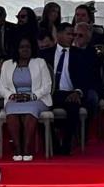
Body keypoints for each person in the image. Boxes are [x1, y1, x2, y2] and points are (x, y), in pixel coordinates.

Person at [40, 22, 95, 155]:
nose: (72, 37)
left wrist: (78, 91)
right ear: (58, 35)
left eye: (74, 35)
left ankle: (67, 144)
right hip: (49, 93)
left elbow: (86, 78)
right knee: (38, 109)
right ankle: (52, 144)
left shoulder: (80, 54)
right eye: (69, 34)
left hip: (70, 93)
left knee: (73, 107)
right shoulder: (44, 54)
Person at [0, 36, 52, 161]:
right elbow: (1, 87)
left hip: (37, 98)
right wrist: (11, 95)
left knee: (30, 110)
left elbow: (47, 86)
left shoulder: (40, 62)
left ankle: (26, 148)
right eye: (22, 47)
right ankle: (18, 149)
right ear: (16, 49)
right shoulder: (7, 64)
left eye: (28, 47)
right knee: (11, 111)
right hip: (14, 99)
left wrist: (32, 96)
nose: (25, 50)